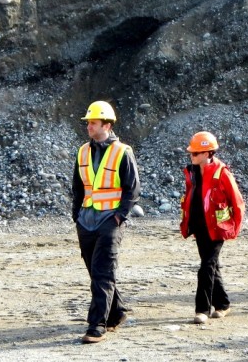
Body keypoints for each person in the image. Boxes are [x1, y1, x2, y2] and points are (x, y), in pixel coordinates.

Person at [71, 101, 141, 344]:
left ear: (107, 125)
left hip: (110, 221)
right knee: (96, 273)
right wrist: (76, 216)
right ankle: (116, 312)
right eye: (88, 122)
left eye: (93, 122)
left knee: (103, 273)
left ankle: (96, 326)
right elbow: (78, 187)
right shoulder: (82, 151)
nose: (88, 126)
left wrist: (119, 216)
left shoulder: (123, 151)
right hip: (87, 221)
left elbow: (132, 189)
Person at [179, 131, 246, 325]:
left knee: (206, 267)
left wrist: (234, 228)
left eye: (196, 153)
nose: (192, 156)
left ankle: (202, 309)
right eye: (191, 153)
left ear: (208, 153)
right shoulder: (191, 173)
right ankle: (223, 304)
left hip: (217, 230)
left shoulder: (221, 172)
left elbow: (237, 202)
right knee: (212, 266)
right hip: (200, 227)